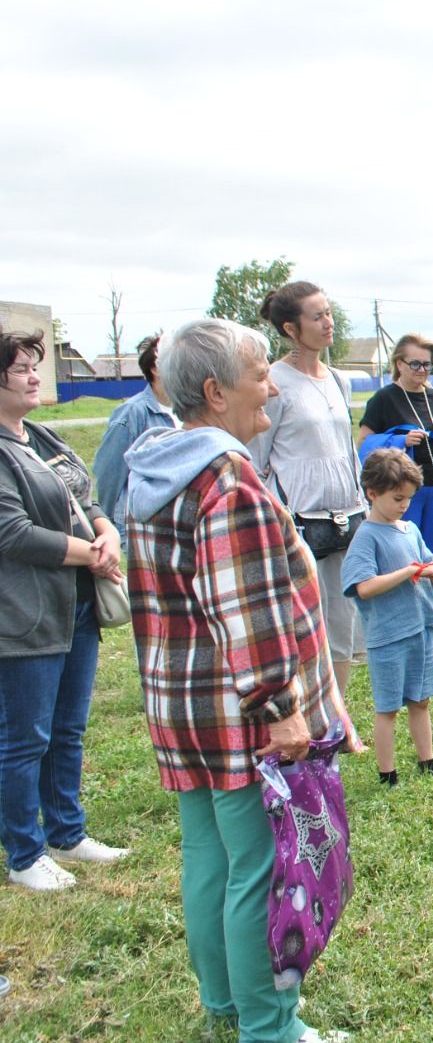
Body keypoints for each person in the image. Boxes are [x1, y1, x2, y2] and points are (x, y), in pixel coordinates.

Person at [124, 317, 348, 1043]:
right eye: (259, 373)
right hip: (242, 711)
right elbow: (245, 604)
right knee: (261, 867)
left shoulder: (157, 459)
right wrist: (281, 708)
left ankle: (224, 999)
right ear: (216, 392)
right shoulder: (227, 476)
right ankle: (268, 1025)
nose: (272, 384)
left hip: (181, 703)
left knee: (210, 856)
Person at [1, 328, 129, 892]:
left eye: (36, 364)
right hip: (24, 616)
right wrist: (93, 556)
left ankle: (66, 832)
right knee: (26, 737)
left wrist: (108, 534)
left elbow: (89, 497)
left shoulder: (42, 436)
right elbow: (13, 533)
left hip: (75, 607)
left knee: (68, 729)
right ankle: (24, 853)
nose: (34, 375)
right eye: (22, 367)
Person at [249, 282, 365, 698]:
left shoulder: (338, 379)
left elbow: (345, 448)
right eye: (316, 317)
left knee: (343, 623)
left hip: (346, 517)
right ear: (291, 329)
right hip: (298, 523)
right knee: (301, 627)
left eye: (328, 312)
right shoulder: (274, 384)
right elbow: (257, 458)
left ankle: (336, 717)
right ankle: (303, 715)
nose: (328, 322)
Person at [342, 449, 433, 786]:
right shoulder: (366, 537)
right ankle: (388, 774)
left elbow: (431, 573)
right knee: (388, 708)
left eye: (408, 498)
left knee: (421, 700)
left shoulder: (409, 529)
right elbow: (363, 587)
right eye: (397, 498)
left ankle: (428, 763)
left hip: (419, 631)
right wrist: (406, 572)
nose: (404, 505)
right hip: (388, 637)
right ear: (372, 493)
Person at [356, 333, 433, 636]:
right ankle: (411, 620)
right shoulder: (384, 399)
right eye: (415, 363)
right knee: (405, 554)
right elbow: (363, 444)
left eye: (428, 365)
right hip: (404, 492)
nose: (422, 370)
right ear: (399, 363)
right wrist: (401, 440)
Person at [93, 333, 177, 540]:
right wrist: (109, 524)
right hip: (141, 526)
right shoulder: (132, 413)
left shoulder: (191, 409)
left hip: (176, 522)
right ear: (155, 368)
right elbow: (109, 471)